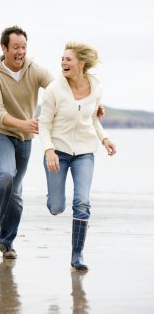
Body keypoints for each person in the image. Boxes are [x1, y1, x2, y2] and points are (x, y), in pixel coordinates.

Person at [0, 25, 54, 259]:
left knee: (16, 194)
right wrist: (25, 124)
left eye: (24, 47)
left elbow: (58, 89)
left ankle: (6, 243)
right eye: (16, 47)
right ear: (4, 48)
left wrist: (89, 102)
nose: (21, 52)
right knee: (7, 173)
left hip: (25, 137)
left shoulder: (34, 70)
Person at [39, 41, 116, 270]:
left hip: (85, 153)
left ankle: (77, 255)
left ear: (81, 64)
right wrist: (49, 149)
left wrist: (104, 139)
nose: (63, 62)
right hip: (57, 153)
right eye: (62, 59)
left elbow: (92, 119)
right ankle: (53, 197)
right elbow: (44, 125)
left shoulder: (95, 87)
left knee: (82, 202)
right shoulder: (54, 89)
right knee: (56, 207)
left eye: (68, 59)